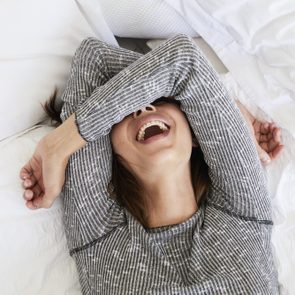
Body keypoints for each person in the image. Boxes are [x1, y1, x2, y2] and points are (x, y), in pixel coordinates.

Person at [19, 35, 283, 294]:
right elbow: (95, 61)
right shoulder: (98, 232)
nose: (143, 109)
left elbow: (184, 65)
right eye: (123, 111)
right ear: (109, 148)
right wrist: (213, 102)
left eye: (160, 101)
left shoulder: (241, 209)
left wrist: (59, 144)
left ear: (196, 135)